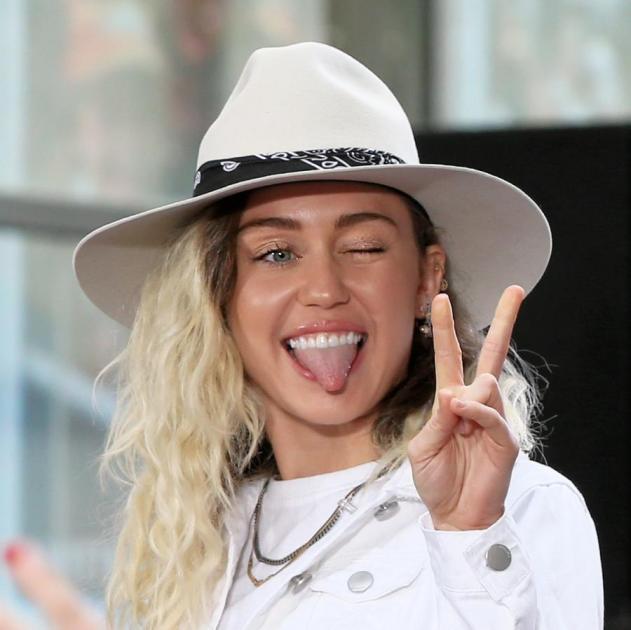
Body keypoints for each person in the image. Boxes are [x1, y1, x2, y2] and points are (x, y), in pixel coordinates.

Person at [3, 41, 603, 629]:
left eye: (363, 247)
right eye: (276, 253)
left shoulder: (520, 508)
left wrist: (468, 535)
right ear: (217, 293)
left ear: (427, 278)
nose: (323, 288)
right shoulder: (195, 540)